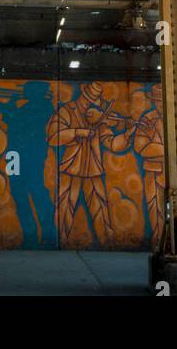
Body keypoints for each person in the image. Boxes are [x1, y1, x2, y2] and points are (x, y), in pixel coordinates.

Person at [47, 81, 132, 247]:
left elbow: (111, 143)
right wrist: (77, 132)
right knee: (64, 210)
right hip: (71, 169)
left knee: (101, 211)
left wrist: (127, 134)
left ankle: (107, 245)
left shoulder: (99, 119)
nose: (92, 106)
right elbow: (53, 137)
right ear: (84, 98)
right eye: (90, 101)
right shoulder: (66, 111)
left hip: (93, 171)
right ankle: (59, 243)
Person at [133, 85, 165, 248]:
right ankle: (158, 240)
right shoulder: (147, 119)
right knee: (153, 206)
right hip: (152, 171)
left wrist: (155, 148)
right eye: (158, 101)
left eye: (162, 100)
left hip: (173, 172)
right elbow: (141, 147)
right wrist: (168, 150)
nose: (161, 104)